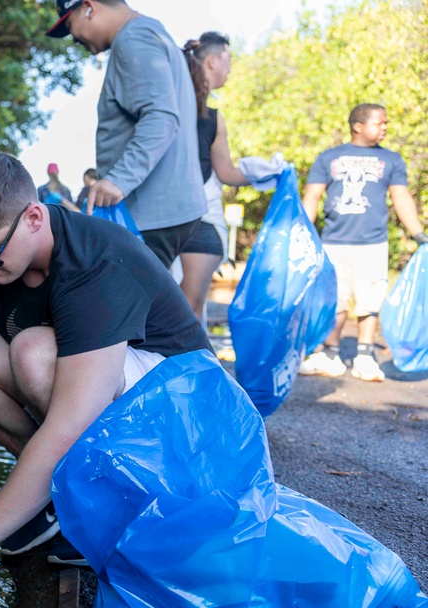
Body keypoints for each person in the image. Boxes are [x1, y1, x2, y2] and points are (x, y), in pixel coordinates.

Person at [0, 149, 213, 603]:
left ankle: (100, 507)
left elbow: (68, 423)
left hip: (189, 416)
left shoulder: (94, 259)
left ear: (34, 217)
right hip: (109, 401)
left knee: (34, 351)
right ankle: (65, 501)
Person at [47, 0, 207, 269]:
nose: (73, 38)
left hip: (151, 216)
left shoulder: (133, 38)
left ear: (88, 7)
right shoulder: (151, 32)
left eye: (70, 25)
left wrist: (118, 181)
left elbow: (161, 117)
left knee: (128, 307)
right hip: (166, 210)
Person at [299, 104, 428, 382]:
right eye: (379, 123)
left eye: (385, 123)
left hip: (372, 243)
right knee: (335, 299)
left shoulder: (391, 160)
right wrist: (303, 233)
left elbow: (401, 198)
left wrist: (419, 234)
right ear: (358, 125)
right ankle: (330, 353)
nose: (385, 128)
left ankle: (365, 356)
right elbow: (312, 197)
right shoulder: (329, 157)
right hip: (333, 242)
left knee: (370, 300)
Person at [178, 32, 285, 323]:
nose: (230, 69)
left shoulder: (213, 118)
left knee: (189, 310)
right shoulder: (169, 105)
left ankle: (193, 366)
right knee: (184, 309)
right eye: (228, 61)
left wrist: (266, 173)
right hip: (173, 218)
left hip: (201, 219)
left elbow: (225, 172)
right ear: (212, 62)